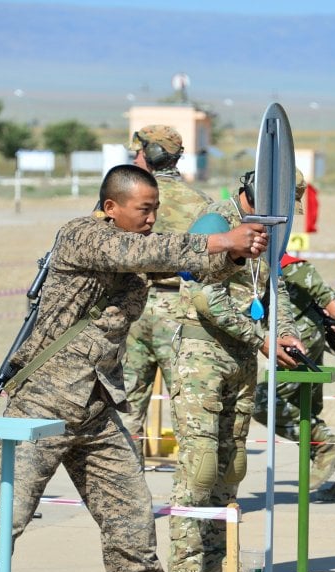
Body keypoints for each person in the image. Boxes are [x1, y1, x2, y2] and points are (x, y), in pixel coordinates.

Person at [0, 164, 268, 572]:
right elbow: (145, 252)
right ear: (111, 206)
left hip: (97, 404)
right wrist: (221, 241)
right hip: (41, 404)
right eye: (144, 209)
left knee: (131, 511)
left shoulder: (136, 243)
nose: (152, 218)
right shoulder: (81, 236)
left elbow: (184, 266)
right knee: (7, 514)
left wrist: (237, 254)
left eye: (157, 209)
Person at [166, 170, 306, 572]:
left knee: (231, 464)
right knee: (200, 461)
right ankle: (184, 566)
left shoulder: (267, 233)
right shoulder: (215, 225)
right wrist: (262, 338)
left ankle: (217, 558)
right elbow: (208, 299)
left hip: (242, 358)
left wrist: (285, 332)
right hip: (202, 358)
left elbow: (272, 289)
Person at [252, 251, 335, 501]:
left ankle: (327, 447)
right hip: (303, 337)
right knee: (299, 409)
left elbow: (308, 277)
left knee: (263, 402)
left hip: (298, 340)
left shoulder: (277, 259)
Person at [120, 125, 212, 452]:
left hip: (132, 308)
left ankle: (125, 494)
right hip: (181, 310)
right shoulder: (202, 203)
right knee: (188, 408)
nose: (134, 157)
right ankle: (190, 495)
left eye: (139, 152)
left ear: (151, 154)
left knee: (126, 409)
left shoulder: (128, 200)